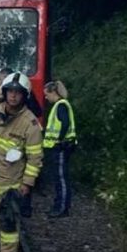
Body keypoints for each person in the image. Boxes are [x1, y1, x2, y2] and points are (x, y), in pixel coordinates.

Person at [0, 72, 43, 252]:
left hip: (10, 181)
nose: (13, 96)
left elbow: (35, 157)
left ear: (25, 96)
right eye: (10, 91)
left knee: (8, 220)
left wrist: (27, 183)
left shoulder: (30, 124)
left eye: (18, 93)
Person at [43, 81, 77, 217]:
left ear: (53, 92)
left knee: (61, 178)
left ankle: (62, 209)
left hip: (61, 147)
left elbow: (65, 123)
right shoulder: (61, 105)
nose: (46, 98)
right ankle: (59, 206)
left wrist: (59, 139)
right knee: (59, 177)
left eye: (47, 95)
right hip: (60, 146)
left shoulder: (61, 105)